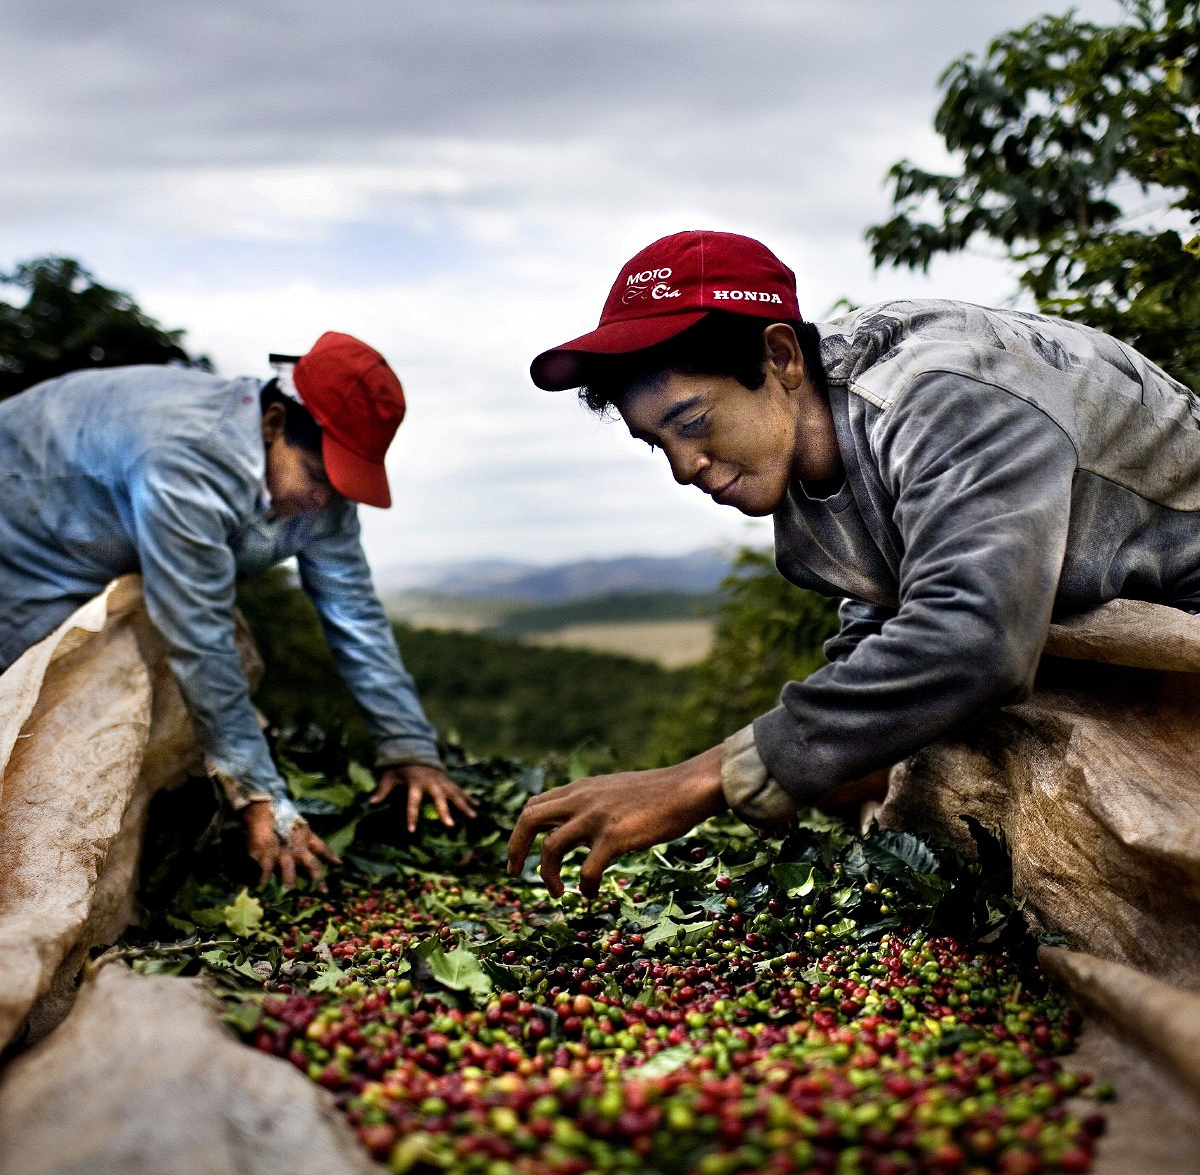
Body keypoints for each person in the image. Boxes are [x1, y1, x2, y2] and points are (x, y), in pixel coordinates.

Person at [507, 228, 1200, 897]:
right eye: (658, 445)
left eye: (691, 423)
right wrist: (820, 766)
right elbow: (883, 621)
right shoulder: (807, 447)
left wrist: (705, 777)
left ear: (781, 359)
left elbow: (972, 634)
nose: (686, 468)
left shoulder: (940, 395)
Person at [0, 331, 475, 885]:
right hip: (25, 528)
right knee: (35, 703)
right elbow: (200, 633)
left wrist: (409, 747)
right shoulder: (187, 458)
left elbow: (356, 619)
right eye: (319, 478)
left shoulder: (324, 496)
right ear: (274, 423)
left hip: (112, 530)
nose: (324, 502)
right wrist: (259, 795)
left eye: (342, 486)